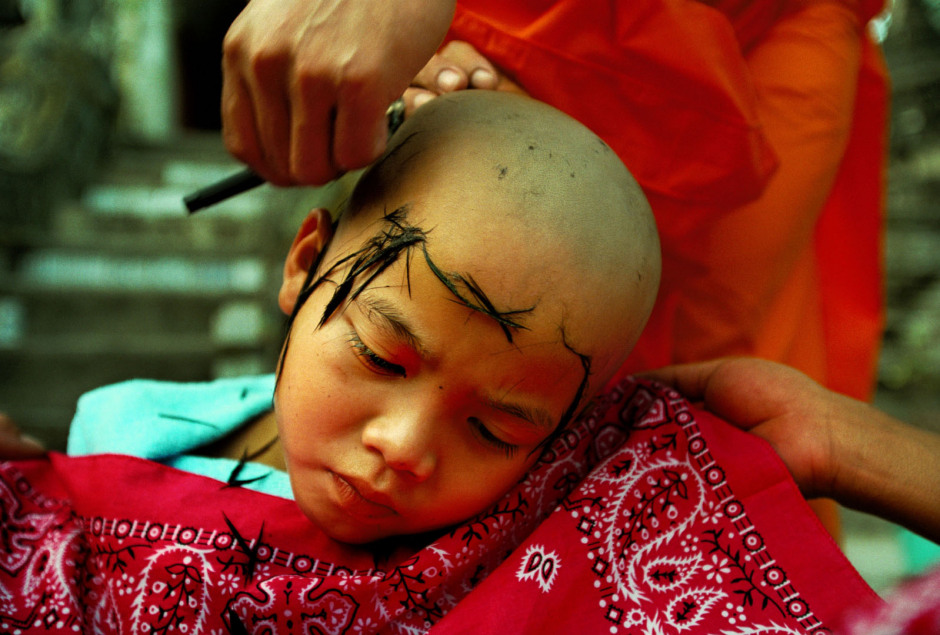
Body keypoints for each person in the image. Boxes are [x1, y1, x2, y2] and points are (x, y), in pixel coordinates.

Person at [63, 90, 660, 544]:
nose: (403, 448)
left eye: (493, 431)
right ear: (304, 264)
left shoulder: (502, 562)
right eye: (380, 356)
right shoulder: (116, 436)